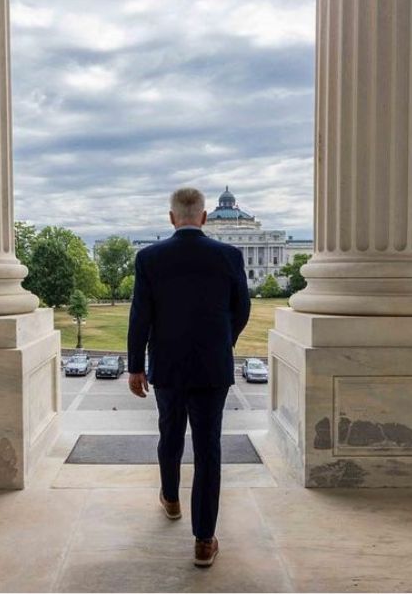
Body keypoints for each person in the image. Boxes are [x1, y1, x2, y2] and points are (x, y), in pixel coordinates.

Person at [126, 187, 251, 568]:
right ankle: (203, 540)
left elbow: (140, 316)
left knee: (170, 435)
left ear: (171, 218)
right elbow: (241, 309)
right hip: (212, 367)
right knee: (209, 450)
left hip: (167, 366)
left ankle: (171, 499)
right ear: (205, 217)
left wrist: (135, 365)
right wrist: (222, 341)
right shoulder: (229, 255)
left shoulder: (150, 258)